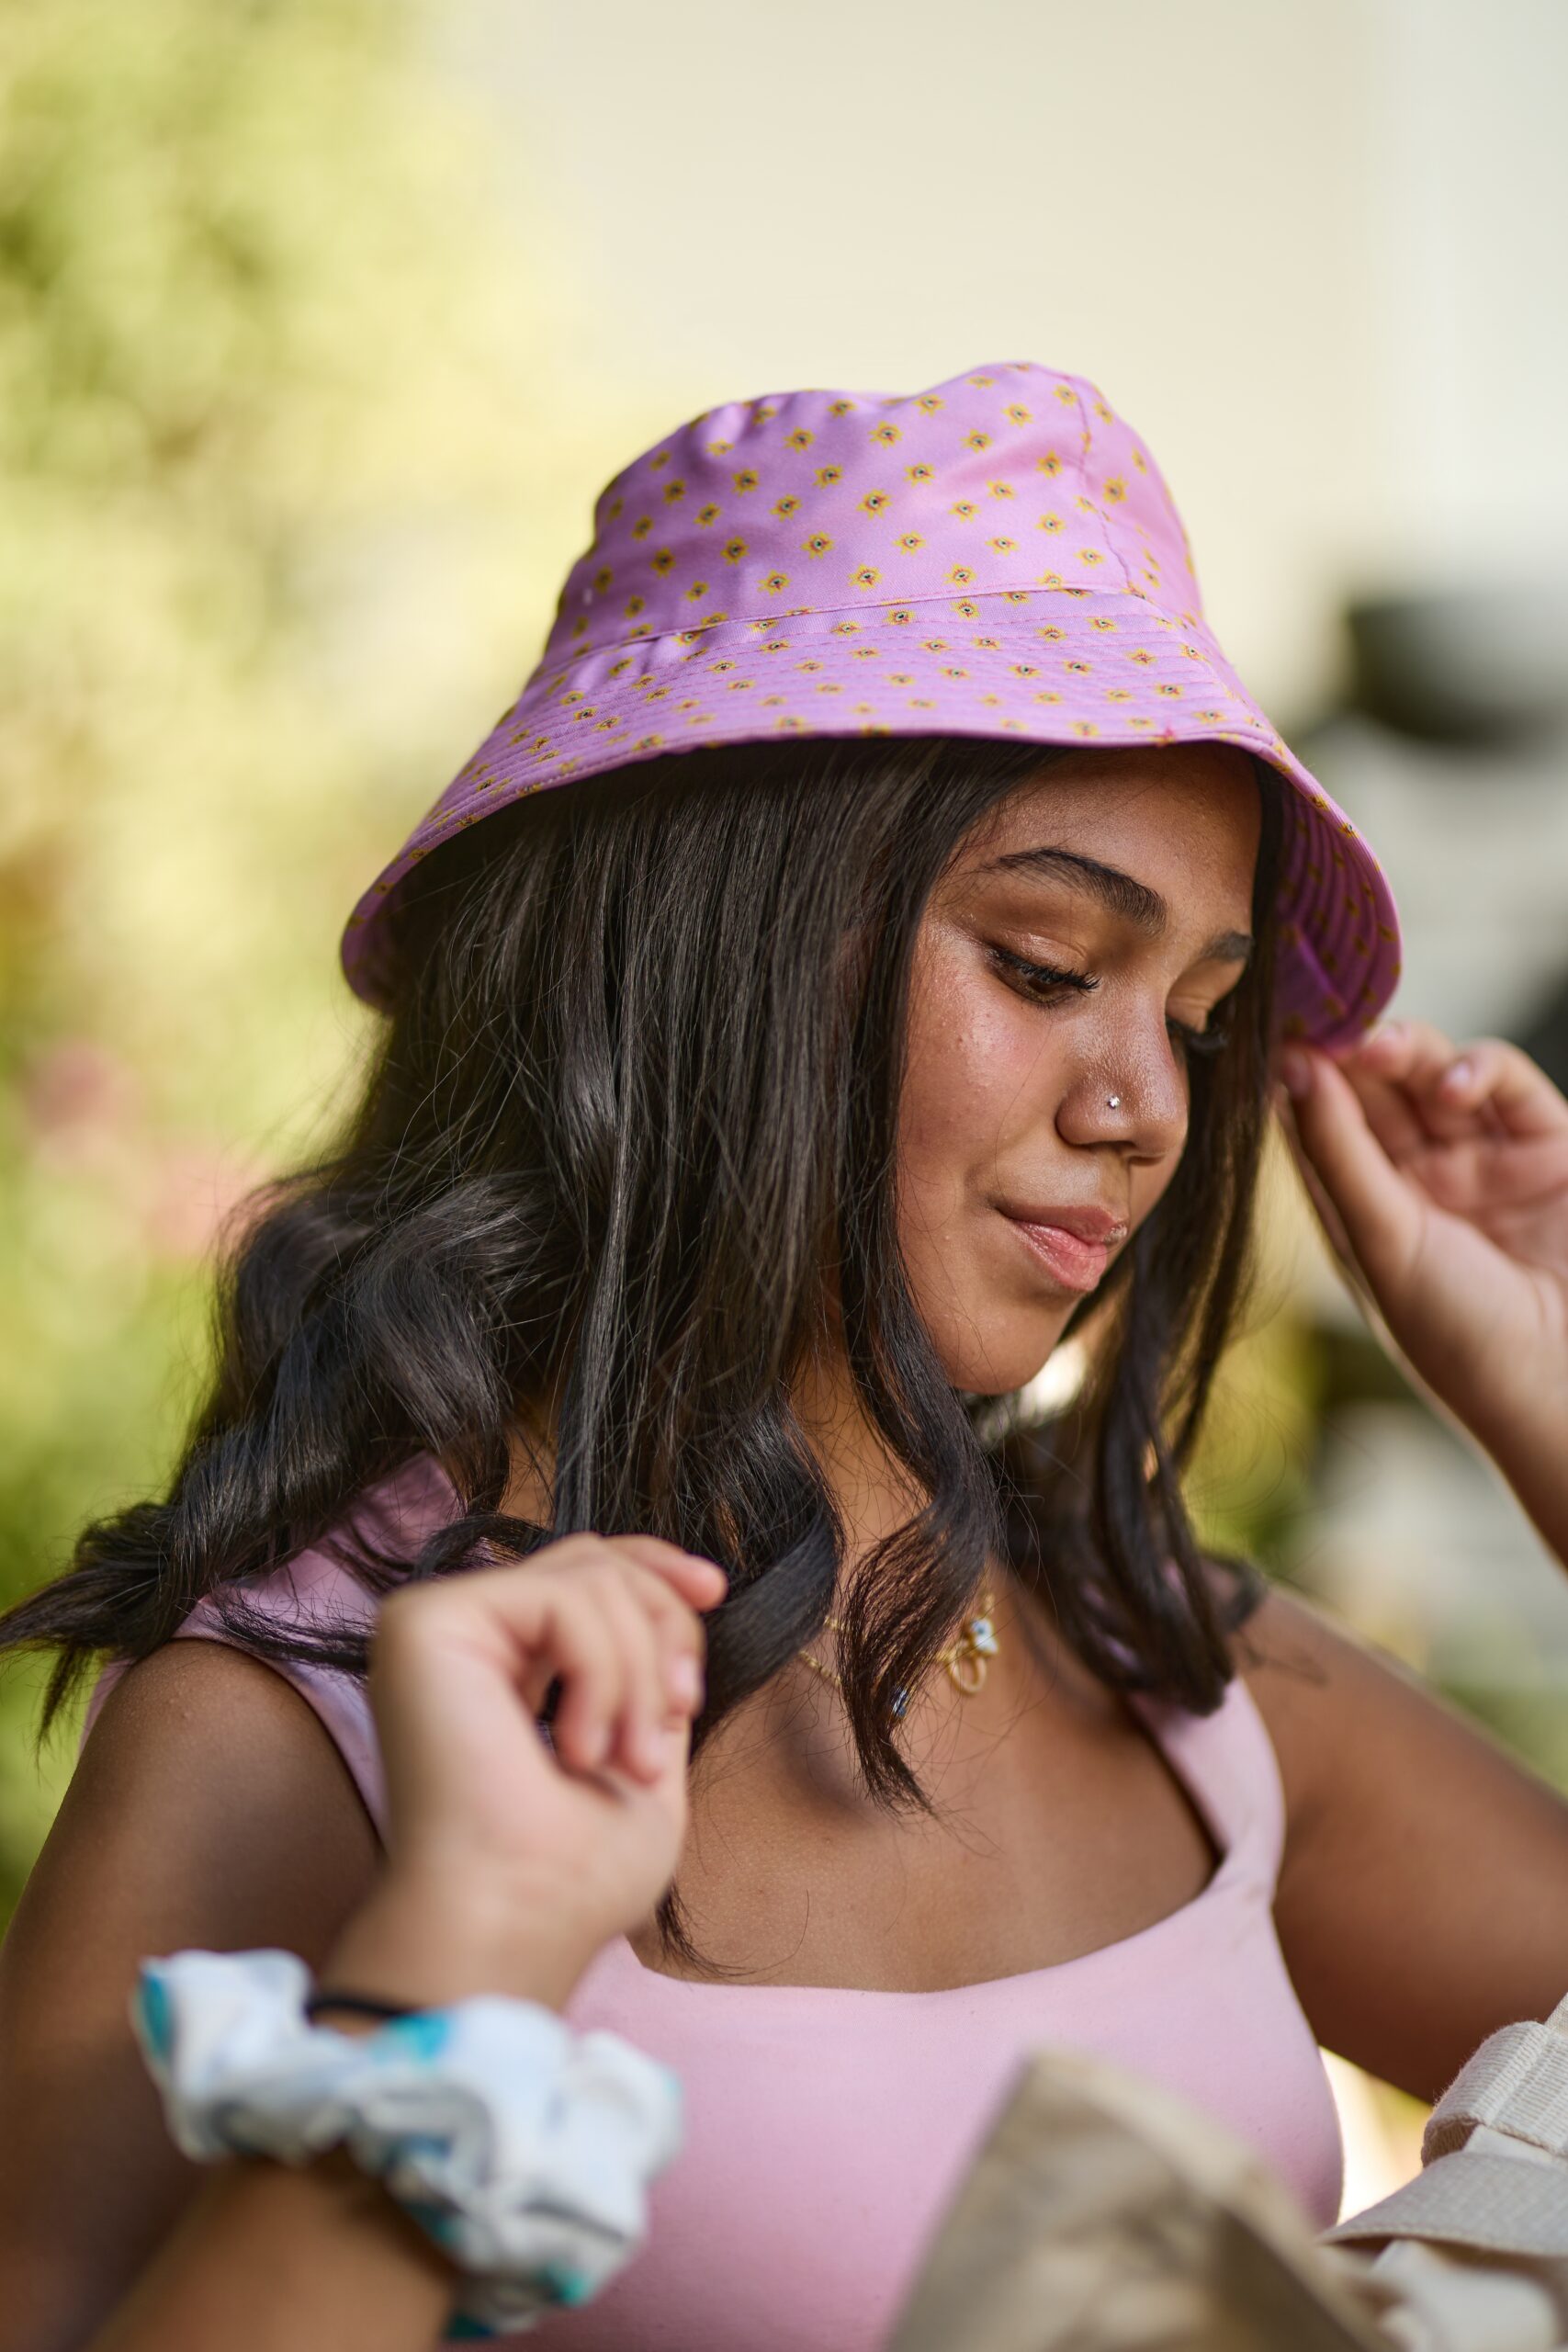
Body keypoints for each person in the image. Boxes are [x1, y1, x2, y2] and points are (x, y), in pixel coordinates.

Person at [4, 359, 1568, 2351]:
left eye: (1193, 1009)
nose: (1147, 1109)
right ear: (707, 951)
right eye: (1039, 964)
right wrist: (462, 1959)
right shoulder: (298, 1730)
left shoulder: (1170, 1664)